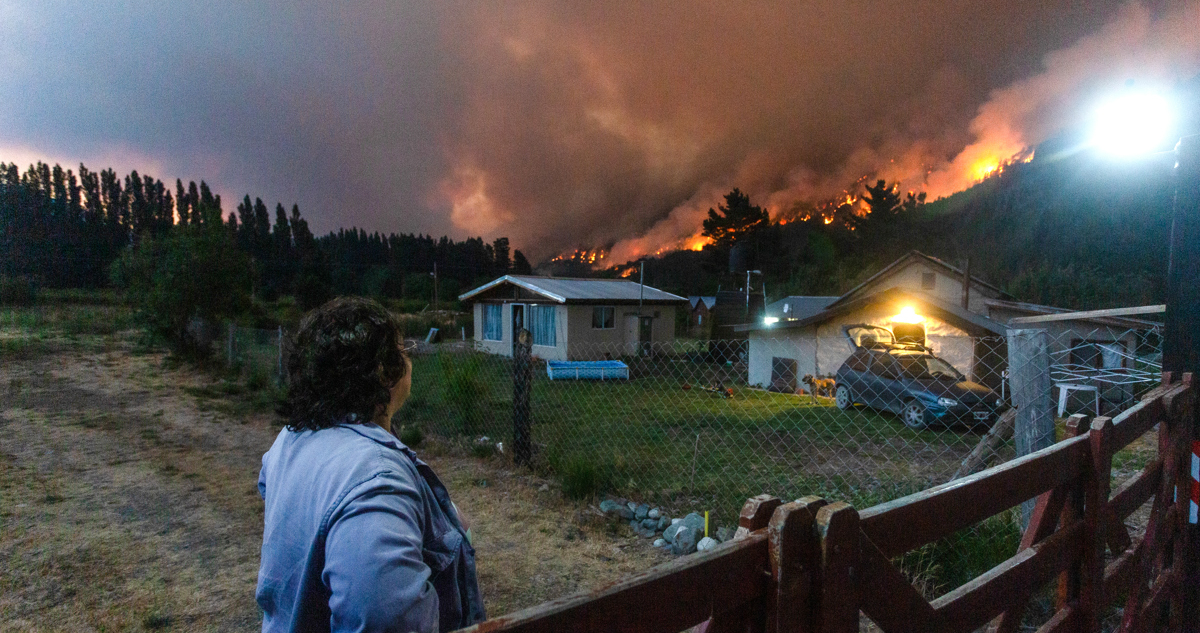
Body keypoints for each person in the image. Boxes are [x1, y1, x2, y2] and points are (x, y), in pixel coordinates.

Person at [256, 297, 485, 633]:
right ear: (383, 371)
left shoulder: (292, 440)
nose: (409, 357)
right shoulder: (378, 478)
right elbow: (385, 618)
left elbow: (278, 488)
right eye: (402, 348)